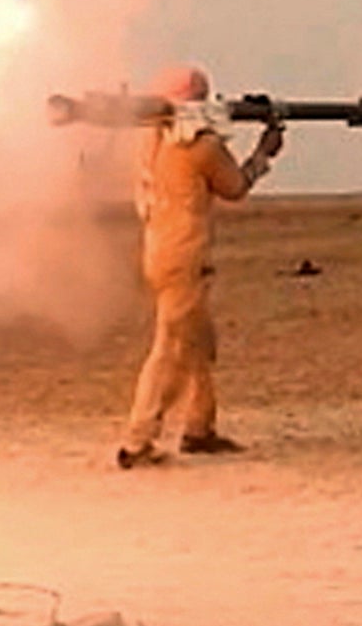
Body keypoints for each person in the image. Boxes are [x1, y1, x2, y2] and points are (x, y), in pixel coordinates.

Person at [116, 63, 285, 468]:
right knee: (171, 347)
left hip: (159, 251)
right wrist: (264, 153)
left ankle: (199, 427)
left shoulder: (152, 141)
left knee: (199, 344)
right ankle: (137, 441)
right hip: (185, 257)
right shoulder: (199, 145)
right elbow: (236, 187)